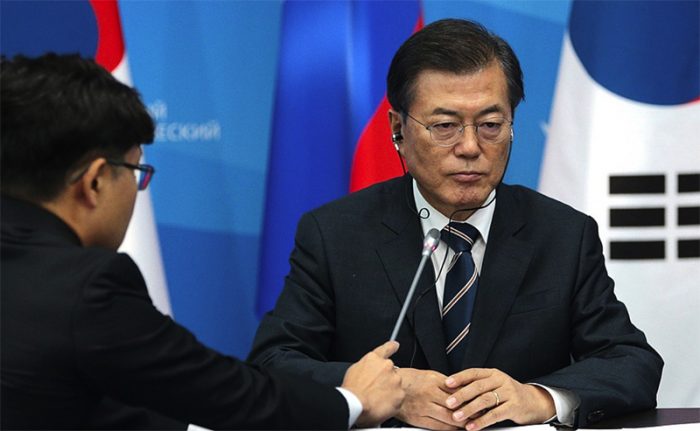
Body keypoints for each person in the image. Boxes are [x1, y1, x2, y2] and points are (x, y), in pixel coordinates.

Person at [248, 18, 663, 431]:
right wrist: (385, 392)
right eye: (445, 126)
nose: (469, 147)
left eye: (490, 125)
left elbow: (631, 363)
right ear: (398, 130)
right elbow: (272, 363)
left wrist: (537, 397)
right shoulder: (335, 234)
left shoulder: (563, 234)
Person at [0, 53, 404, 430]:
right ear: (96, 181)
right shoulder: (88, 287)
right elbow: (227, 394)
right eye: (137, 172)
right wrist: (352, 402)